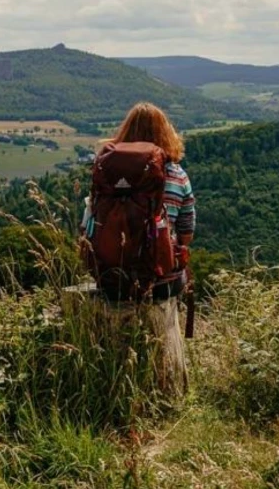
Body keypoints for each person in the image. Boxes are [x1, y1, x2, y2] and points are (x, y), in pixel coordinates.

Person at [81, 101, 195, 398]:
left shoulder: (105, 173)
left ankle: (108, 389)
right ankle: (167, 391)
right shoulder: (177, 175)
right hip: (161, 283)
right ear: (166, 133)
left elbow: (87, 229)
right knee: (177, 277)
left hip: (110, 277)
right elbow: (186, 233)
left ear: (125, 132)